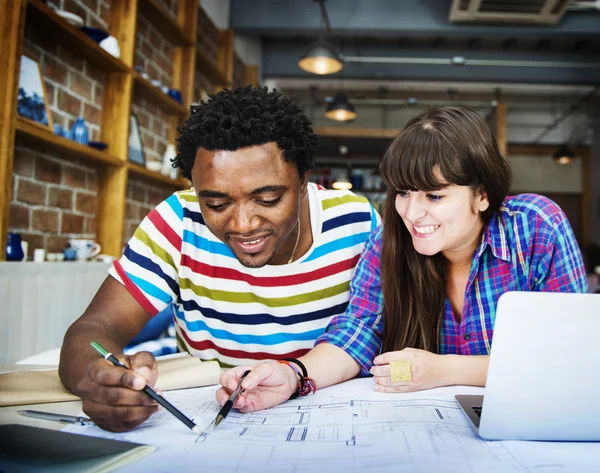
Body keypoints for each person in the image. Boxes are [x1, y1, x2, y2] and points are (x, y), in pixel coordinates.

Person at [217, 105, 587, 412]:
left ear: (482, 196)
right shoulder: (390, 238)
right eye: (404, 192)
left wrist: (443, 369)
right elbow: (358, 332)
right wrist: (293, 376)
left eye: (434, 196)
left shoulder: (535, 228)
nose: (412, 213)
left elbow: (570, 358)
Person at [58, 86, 380, 432]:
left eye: (268, 198)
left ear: (303, 181)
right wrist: (101, 379)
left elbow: (384, 331)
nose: (243, 225)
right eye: (216, 204)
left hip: (333, 418)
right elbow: (93, 329)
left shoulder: (356, 223)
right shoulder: (177, 221)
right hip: (211, 421)